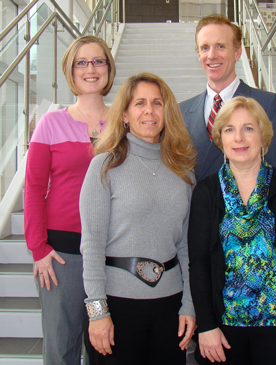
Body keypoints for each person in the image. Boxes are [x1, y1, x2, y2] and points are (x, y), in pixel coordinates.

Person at [188, 96, 276, 364]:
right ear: (220, 139)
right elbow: (198, 263)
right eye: (229, 129)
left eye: (248, 128)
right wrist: (206, 325)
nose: (239, 138)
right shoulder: (205, 192)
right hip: (222, 335)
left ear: (263, 137)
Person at [79, 72, 197, 365]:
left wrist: (190, 305)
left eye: (157, 103)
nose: (149, 110)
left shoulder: (184, 172)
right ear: (125, 115)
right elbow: (91, 245)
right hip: (116, 308)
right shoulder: (103, 168)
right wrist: (98, 313)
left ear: (167, 112)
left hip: (171, 307)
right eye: (140, 103)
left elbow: (187, 248)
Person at [24, 35, 116, 364]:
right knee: (61, 349)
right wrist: (39, 249)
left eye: (98, 61)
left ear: (109, 67)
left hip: (112, 254)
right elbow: (33, 188)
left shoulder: (125, 122)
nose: (90, 69)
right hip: (61, 256)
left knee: (105, 350)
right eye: (82, 62)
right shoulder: (50, 123)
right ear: (70, 70)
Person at [179, 14, 276, 181]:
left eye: (221, 46)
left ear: (237, 52)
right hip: (199, 206)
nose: (212, 55)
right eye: (205, 48)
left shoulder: (267, 104)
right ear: (198, 55)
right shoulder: (182, 111)